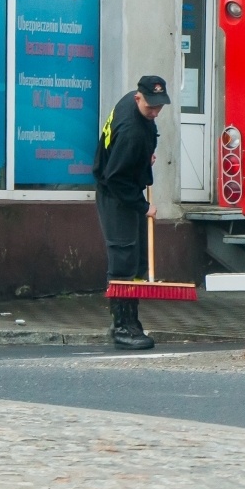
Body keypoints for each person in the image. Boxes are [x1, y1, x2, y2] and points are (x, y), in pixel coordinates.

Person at [93, 75, 171, 350]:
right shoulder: (131, 131)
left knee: (136, 259)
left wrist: (145, 156)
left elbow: (142, 142)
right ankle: (122, 327)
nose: (155, 112)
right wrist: (144, 207)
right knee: (123, 259)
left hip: (128, 186)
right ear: (138, 97)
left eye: (159, 106)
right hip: (116, 195)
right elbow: (116, 178)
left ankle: (133, 322)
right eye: (151, 107)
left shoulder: (135, 106)